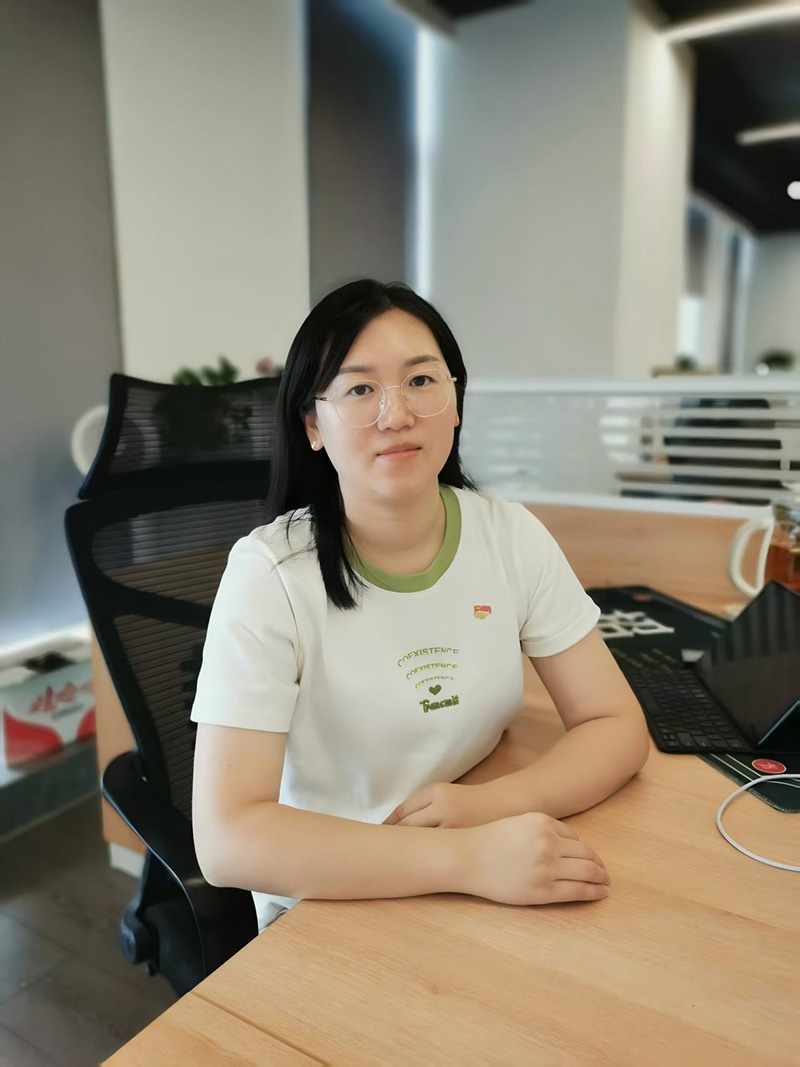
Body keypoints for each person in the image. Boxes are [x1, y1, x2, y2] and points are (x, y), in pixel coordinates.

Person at [191, 279, 650, 933]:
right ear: (313, 424)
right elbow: (227, 839)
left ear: (455, 401)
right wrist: (466, 858)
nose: (396, 414)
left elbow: (615, 723)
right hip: (332, 900)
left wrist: (492, 807)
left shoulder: (509, 535)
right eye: (360, 390)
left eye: (421, 380)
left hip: (476, 856)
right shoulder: (270, 575)